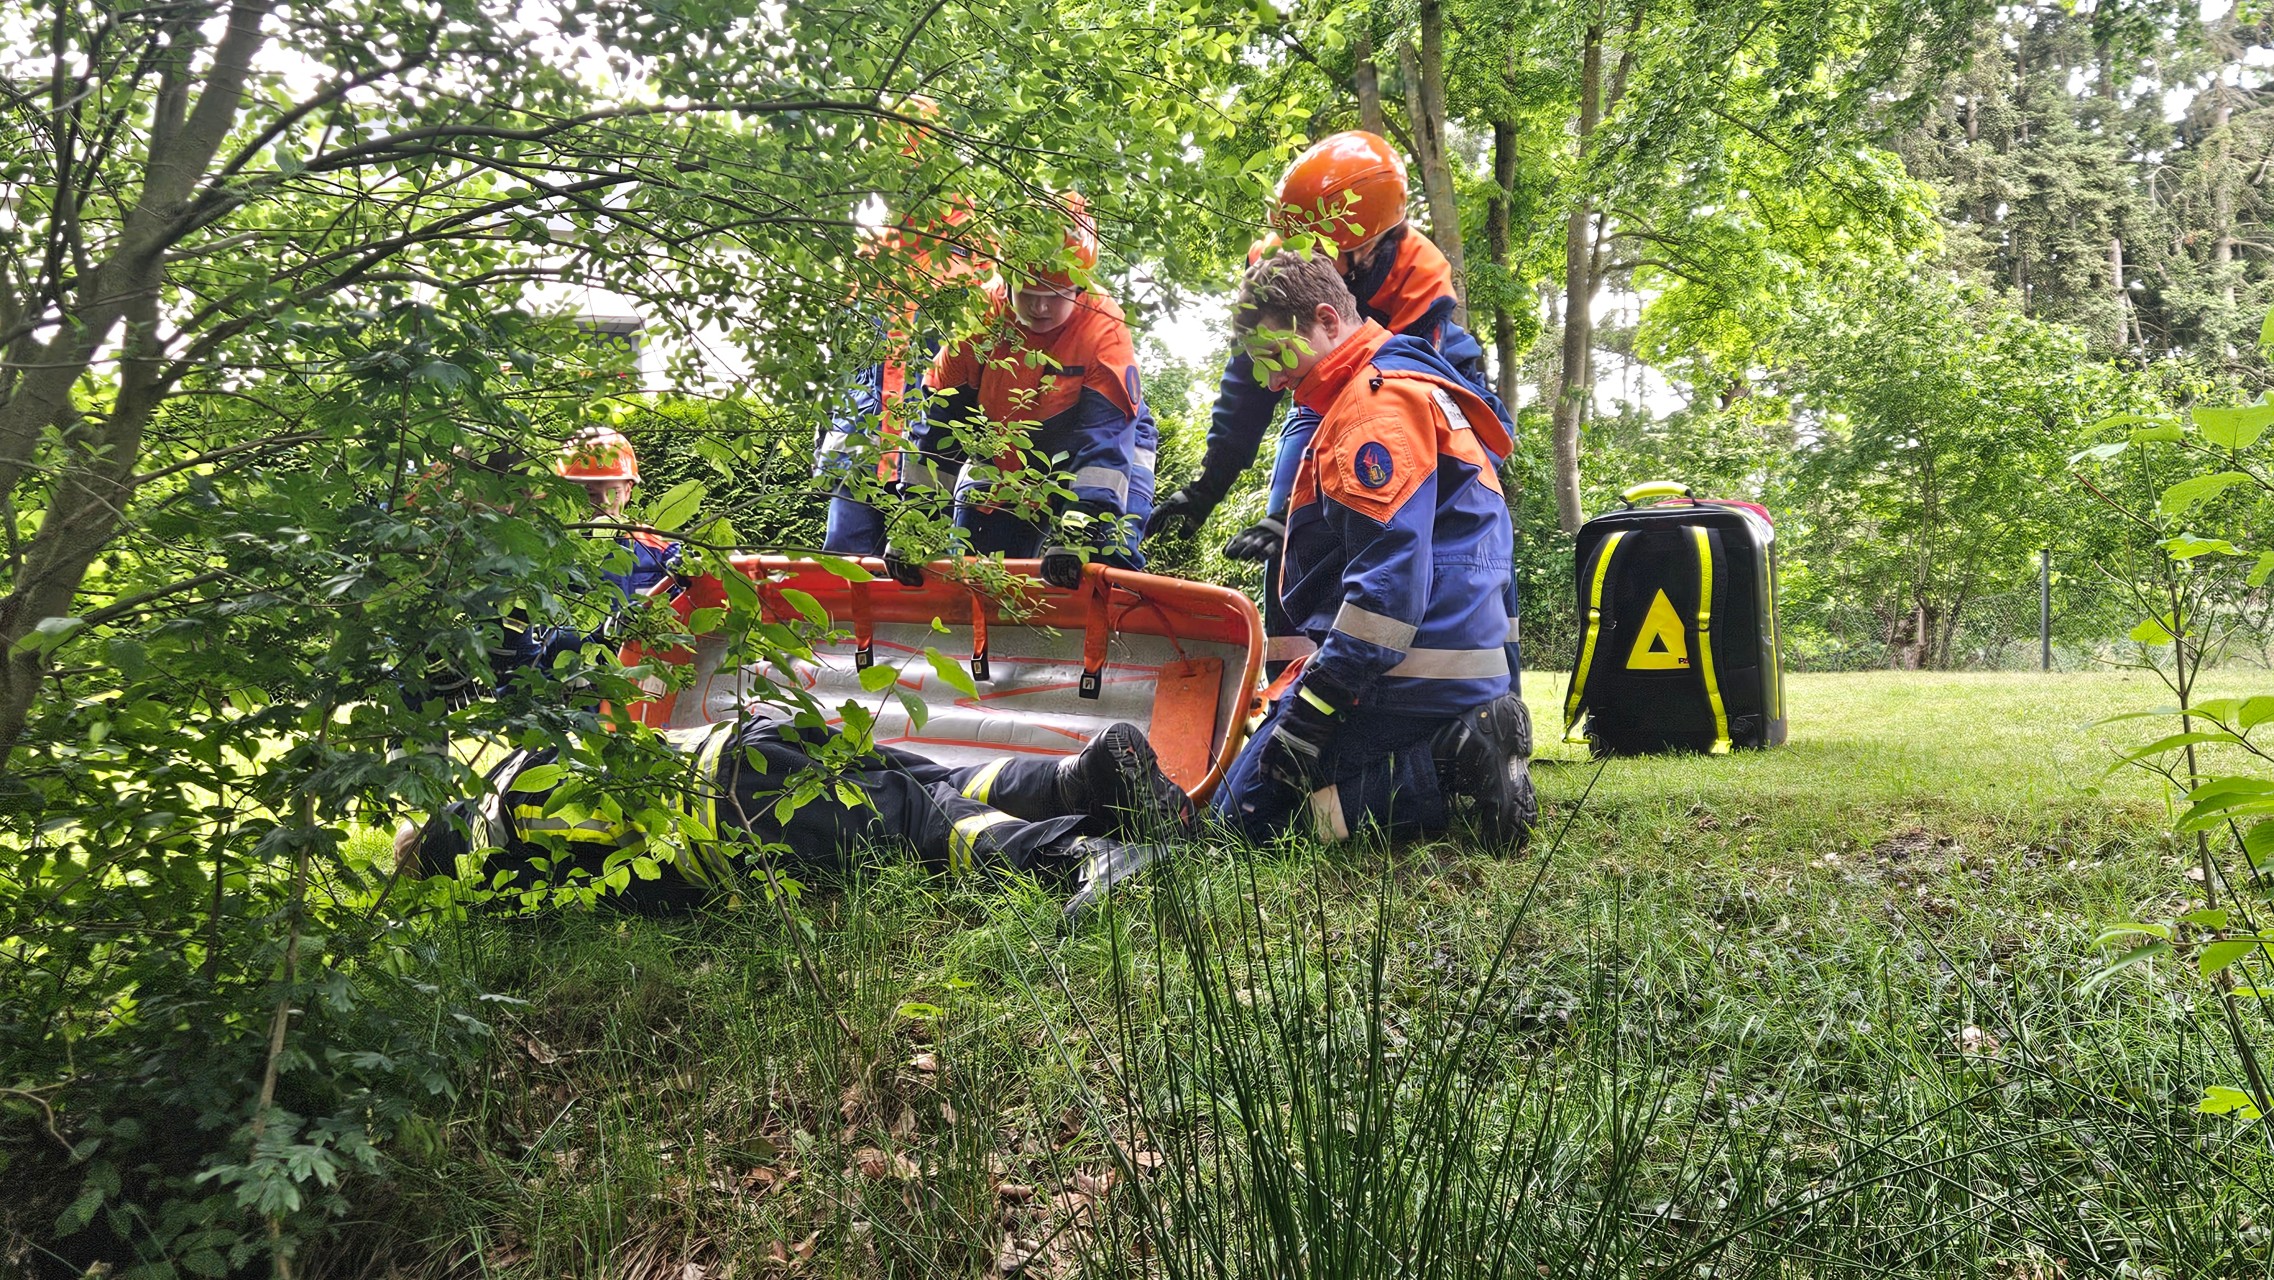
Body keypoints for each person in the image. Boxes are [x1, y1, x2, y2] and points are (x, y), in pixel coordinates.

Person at [1147, 132, 1516, 677]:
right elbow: (1253, 383)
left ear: (1366, 244)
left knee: (1462, 516)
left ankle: (1492, 694)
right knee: (1291, 534)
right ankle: (1291, 689)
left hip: (1422, 383)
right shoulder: (1281, 264)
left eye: (1317, 245)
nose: (1303, 254)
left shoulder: (1415, 282)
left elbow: (1391, 399)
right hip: (1330, 391)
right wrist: (1209, 488)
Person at [1210, 250, 1536, 847]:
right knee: (1254, 800)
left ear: (1326, 319)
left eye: (1276, 357)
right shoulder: (1416, 382)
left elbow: (1386, 597)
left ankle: (1447, 762)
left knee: (1241, 827)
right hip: (1458, 666)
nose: (1273, 380)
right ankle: (1462, 742)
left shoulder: (1371, 412)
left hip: (1408, 677)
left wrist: (1313, 712)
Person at [396, 716, 1194, 919]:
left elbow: (634, 893)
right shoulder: (527, 758)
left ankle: (1081, 856)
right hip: (753, 734)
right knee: (932, 783)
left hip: (735, 812)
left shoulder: (496, 859)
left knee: (921, 834)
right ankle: (1081, 778)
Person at [893, 193, 1153, 589]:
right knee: (982, 573)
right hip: (1004, 457)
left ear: (1079, 289)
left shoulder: (1105, 330)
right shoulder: (977, 322)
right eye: (1028, 293)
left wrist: (1078, 533)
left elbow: (1103, 445)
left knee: (1105, 559)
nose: (1040, 308)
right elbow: (936, 436)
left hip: (1106, 450)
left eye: (1054, 296)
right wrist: (914, 527)